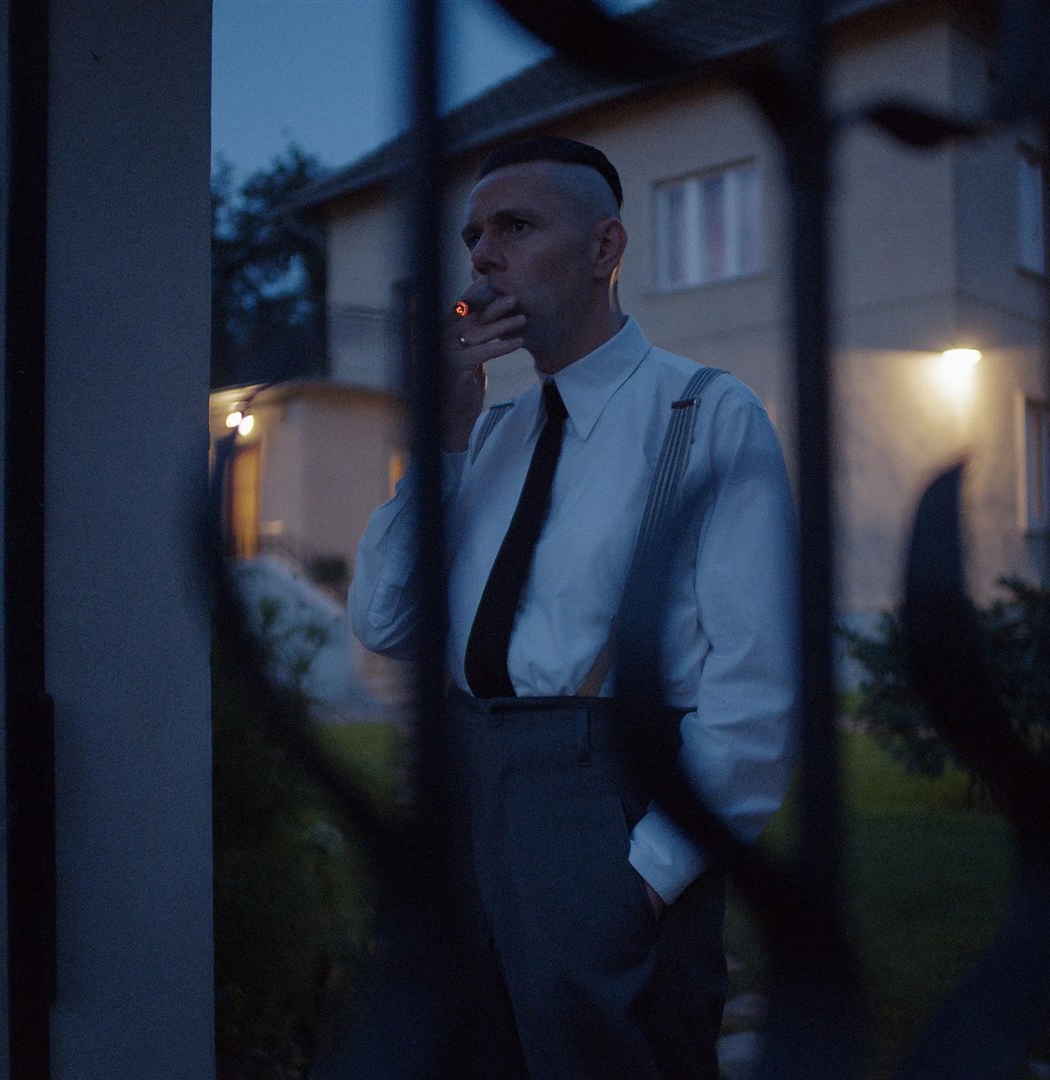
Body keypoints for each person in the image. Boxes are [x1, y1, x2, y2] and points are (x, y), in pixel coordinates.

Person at [348, 137, 798, 1079]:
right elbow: (386, 622)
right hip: (470, 793)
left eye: (515, 227)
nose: (483, 256)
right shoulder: (492, 436)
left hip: (607, 810)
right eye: (474, 236)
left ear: (605, 248)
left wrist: (647, 879)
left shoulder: (706, 414)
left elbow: (756, 687)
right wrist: (442, 443)